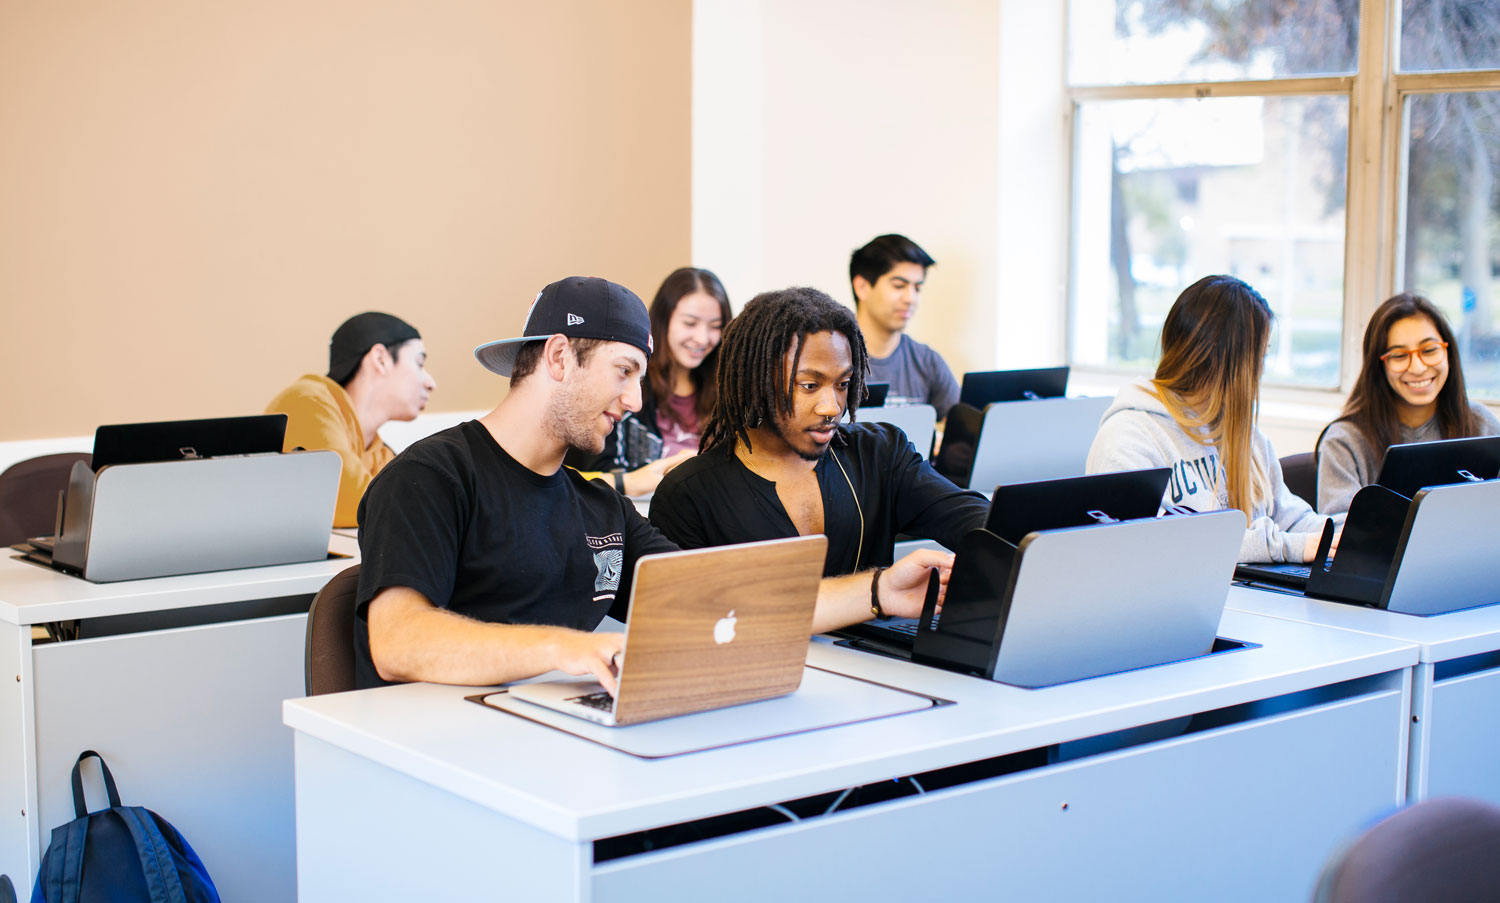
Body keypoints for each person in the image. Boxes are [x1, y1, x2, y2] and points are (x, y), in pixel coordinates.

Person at [353, 276, 952, 691]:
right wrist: (568, 650)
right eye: (624, 372)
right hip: (442, 762)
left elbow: (725, 604)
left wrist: (879, 591)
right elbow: (399, 639)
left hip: (550, 748)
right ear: (559, 358)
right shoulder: (432, 477)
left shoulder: (598, 508)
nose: (635, 399)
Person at [649, 286, 989, 577]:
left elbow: (976, 521)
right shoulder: (690, 494)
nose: (831, 407)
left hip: (870, 657)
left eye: (842, 384)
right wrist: (875, 592)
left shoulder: (880, 454)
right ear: (758, 383)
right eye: (809, 385)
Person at [1085, 275, 1335, 563]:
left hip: (1245, 592)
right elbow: (1160, 549)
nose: (1261, 371)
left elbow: (1291, 519)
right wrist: (1289, 547)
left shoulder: (1245, 435)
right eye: (1259, 358)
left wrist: (1350, 534)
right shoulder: (1127, 440)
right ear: (1227, 362)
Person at [1318, 293, 1500, 515]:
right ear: (1379, 365)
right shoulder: (1344, 441)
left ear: (1448, 352)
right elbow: (1341, 534)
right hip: (1382, 551)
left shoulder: (1482, 424)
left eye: (1430, 350)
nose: (1417, 367)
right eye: (1399, 355)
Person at [565, 267, 732, 493]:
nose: (702, 338)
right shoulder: (626, 386)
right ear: (663, 321)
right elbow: (585, 474)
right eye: (690, 323)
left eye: (715, 326)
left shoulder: (727, 395)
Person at [266, 312, 435, 527]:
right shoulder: (307, 400)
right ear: (380, 359)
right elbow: (350, 503)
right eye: (419, 363)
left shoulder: (378, 451)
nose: (431, 383)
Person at [849, 234, 960, 418]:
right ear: (862, 287)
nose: (911, 299)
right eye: (899, 286)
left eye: (917, 288)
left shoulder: (927, 362)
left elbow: (962, 431)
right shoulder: (831, 359)